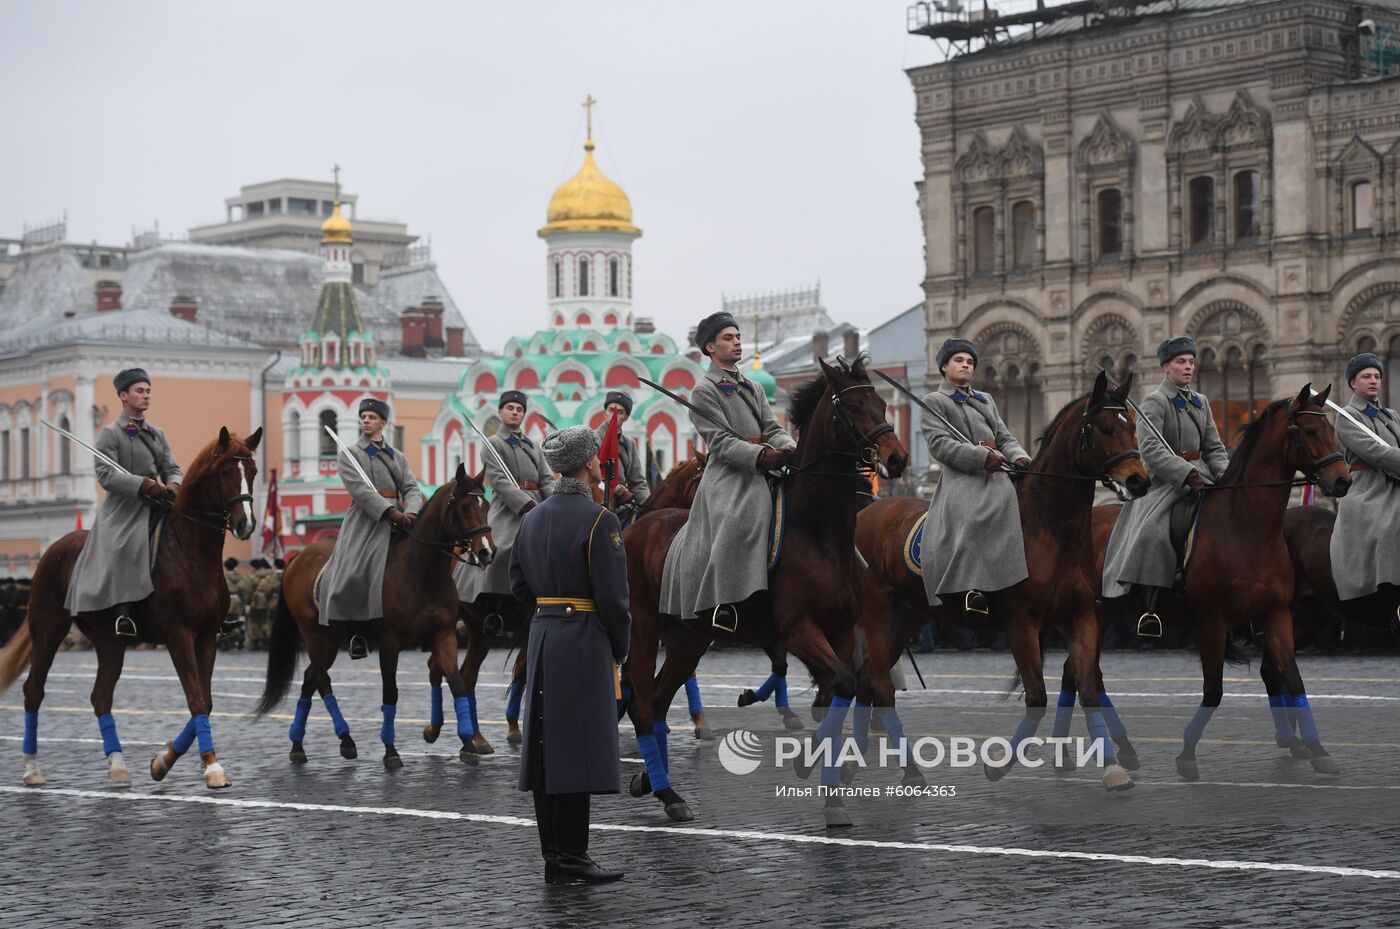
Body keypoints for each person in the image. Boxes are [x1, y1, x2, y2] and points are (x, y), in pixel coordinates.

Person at [510, 426, 630, 885]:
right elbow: (614, 599)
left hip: (543, 636)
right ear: (587, 465)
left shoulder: (531, 519)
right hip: (583, 637)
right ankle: (574, 856)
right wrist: (620, 647)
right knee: (576, 748)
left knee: (545, 749)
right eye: (597, 459)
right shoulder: (601, 519)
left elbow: (519, 585)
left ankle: (553, 856)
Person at [659, 312, 796, 629]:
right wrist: (761, 457)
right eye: (728, 338)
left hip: (767, 465)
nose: (737, 342)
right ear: (709, 347)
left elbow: (772, 427)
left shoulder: (752, 387)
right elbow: (720, 442)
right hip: (730, 476)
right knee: (740, 516)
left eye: (737, 337)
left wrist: (789, 447)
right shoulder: (704, 390)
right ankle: (724, 602)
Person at [1102, 336, 1229, 635]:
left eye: (1191, 362)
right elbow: (1152, 451)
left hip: (1205, 477)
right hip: (1166, 484)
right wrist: (1186, 474)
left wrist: (1224, 475)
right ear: (1166, 367)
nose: (1188, 367)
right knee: (1154, 533)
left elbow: (1214, 447)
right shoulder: (1154, 402)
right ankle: (1150, 606)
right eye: (1181, 362)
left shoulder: (1201, 402)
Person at [65, 368, 182, 637]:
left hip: (159, 501)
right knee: (123, 544)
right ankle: (123, 613)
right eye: (140, 391)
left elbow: (172, 467)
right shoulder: (110, 434)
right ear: (123, 395)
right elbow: (106, 476)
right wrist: (141, 485)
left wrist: (174, 485)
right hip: (124, 507)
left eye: (148, 391)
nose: (146, 396)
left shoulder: (158, 433)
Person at [919, 339, 1031, 617]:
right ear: (944, 366)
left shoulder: (985, 399)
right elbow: (940, 445)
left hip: (999, 471)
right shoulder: (936, 401)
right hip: (963, 477)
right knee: (972, 517)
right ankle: (972, 587)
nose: (966, 365)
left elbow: (1004, 436)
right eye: (958, 360)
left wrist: (1020, 456)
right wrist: (980, 457)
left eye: (970, 362)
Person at [316, 398, 424, 660]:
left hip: (401, 518)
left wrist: (410, 511)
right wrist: (389, 512)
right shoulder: (350, 454)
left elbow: (411, 487)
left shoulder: (397, 456)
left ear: (383, 423)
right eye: (363, 416)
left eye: (372, 417)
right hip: (366, 520)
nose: (366, 420)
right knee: (354, 570)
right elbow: (360, 491)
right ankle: (356, 631)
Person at [456, 390, 555, 616]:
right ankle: (494, 607)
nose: (514, 413)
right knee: (502, 550)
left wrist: (554, 502)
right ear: (500, 412)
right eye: (510, 408)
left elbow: (546, 479)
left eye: (519, 410)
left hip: (539, 504)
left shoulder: (533, 446)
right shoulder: (493, 444)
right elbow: (500, 482)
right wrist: (527, 505)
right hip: (508, 510)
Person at [1329, 352, 1400, 603]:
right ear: (1353, 383)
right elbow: (1375, 453)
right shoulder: (1347, 417)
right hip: (1369, 489)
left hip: (1396, 481)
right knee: (1391, 525)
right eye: (1366, 376)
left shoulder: (1391, 415)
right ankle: (1390, 594)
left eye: (1377, 376)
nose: (1373, 381)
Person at [595, 390, 650, 520]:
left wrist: (649, 507)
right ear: (604, 413)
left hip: (623, 505)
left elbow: (637, 482)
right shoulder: (591, 439)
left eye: (620, 412)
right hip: (595, 503)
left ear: (626, 417)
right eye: (611, 410)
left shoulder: (628, 444)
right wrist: (614, 488)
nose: (614, 415)